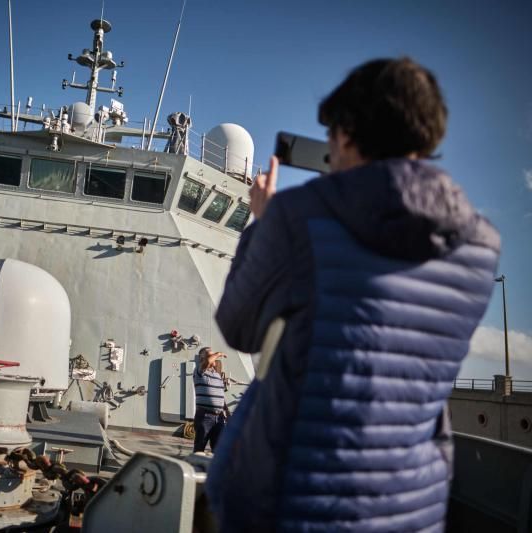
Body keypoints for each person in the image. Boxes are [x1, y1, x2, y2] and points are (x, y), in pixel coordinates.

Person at [206, 57, 500, 531]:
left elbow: (238, 328)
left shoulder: (299, 216)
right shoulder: (480, 246)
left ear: (344, 134)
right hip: (411, 509)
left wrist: (262, 224)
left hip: (294, 507)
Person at [192, 347, 228, 453]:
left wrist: (227, 413)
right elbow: (208, 361)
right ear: (202, 358)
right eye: (209, 355)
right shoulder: (199, 371)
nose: (213, 358)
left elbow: (221, 395)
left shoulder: (217, 375)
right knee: (199, 449)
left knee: (218, 450)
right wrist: (219, 353)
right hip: (205, 417)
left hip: (220, 418)